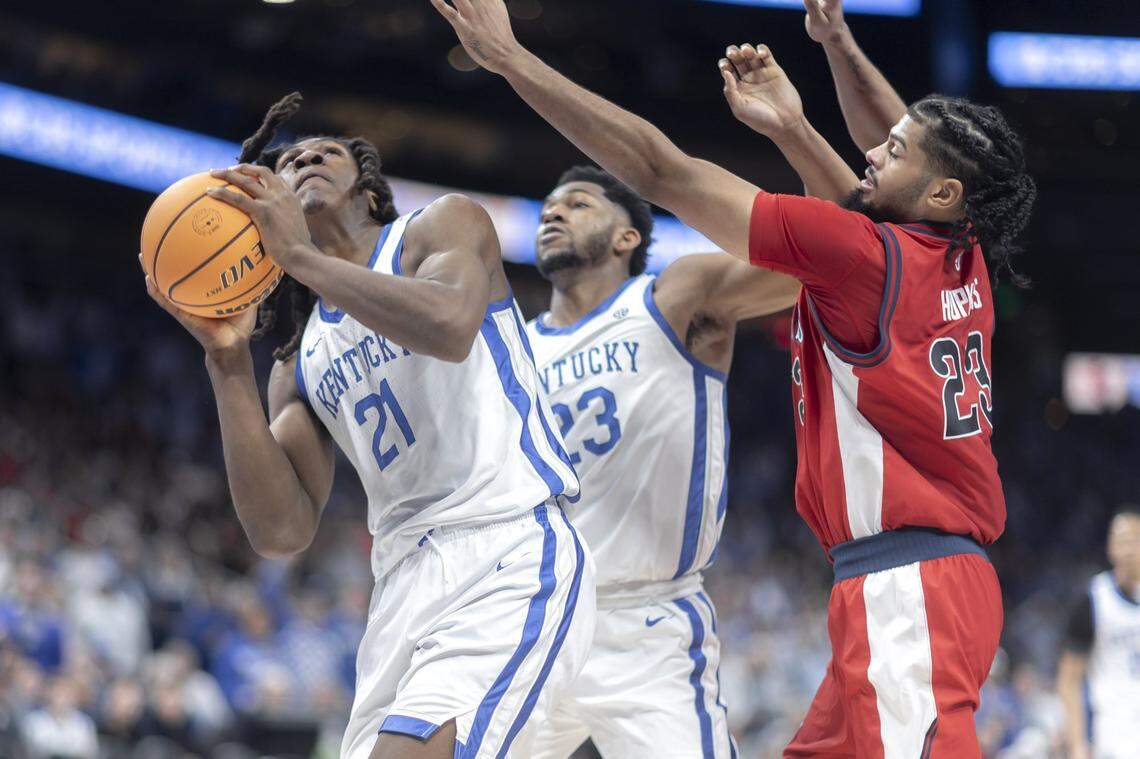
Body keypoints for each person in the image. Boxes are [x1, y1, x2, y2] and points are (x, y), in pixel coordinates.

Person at [431, 1, 1035, 756]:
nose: (874, 151)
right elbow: (911, 145)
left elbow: (662, 171)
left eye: (894, 151)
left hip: (910, 587)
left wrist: (511, 60)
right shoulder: (964, 251)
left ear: (941, 192)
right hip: (915, 580)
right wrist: (824, 73)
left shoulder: (863, 256)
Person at [141, 92, 594, 759]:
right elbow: (281, 530)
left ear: (369, 187)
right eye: (288, 161)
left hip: (509, 547)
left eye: (327, 152)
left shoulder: (438, 229)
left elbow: (449, 326)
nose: (305, 159)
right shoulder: (298, 358)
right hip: (400, 588)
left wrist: (300, 257)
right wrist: (228, 362)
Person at [522, 164, 799, 758]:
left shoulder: (669, 299)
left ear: (626, 237)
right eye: (548, 207)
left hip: (645, 623)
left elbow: (811, 266)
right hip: (536, 617)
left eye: (577, 203)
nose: (554, 212)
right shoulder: (515, 350)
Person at [1057, 504, 1140, 759]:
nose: (1128, 550)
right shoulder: (1094, 600)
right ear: (1110, 547)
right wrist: (1077, 744)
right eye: (1121, 541)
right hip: (1112, 732)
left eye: (1134, 541)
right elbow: (1069, 679)